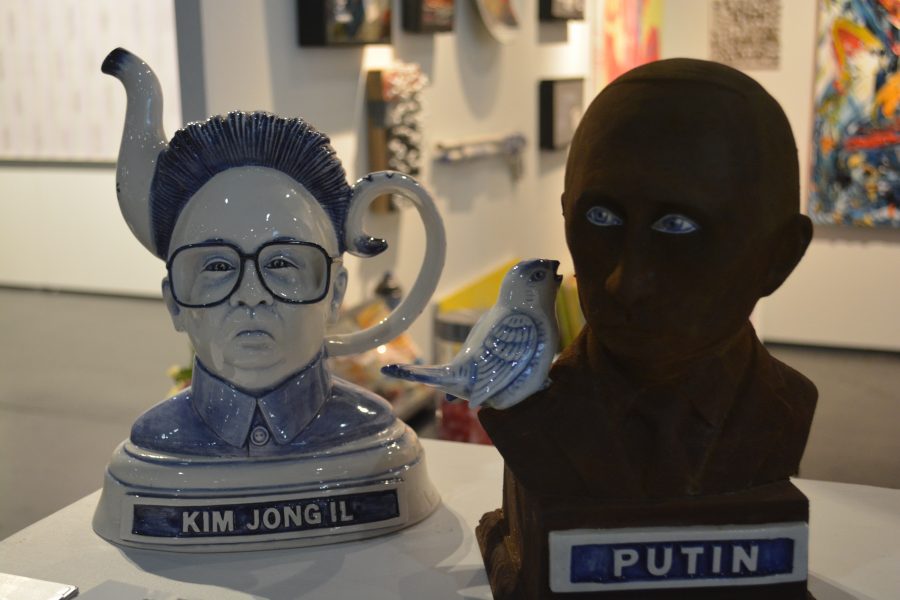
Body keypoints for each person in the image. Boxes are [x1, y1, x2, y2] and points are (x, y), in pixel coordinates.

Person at [478, 58, 818, 500]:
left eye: (678, 227)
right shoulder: (529, 415)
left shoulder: (782, 407)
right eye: (601, 218)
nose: (626, 283)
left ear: (779, 256)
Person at [125, 113, 394, 457]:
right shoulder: (158, 447)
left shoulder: (370, 437)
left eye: (281, 263)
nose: (251, 295)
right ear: (175, 303)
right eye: (218, 266)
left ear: (335, 292)